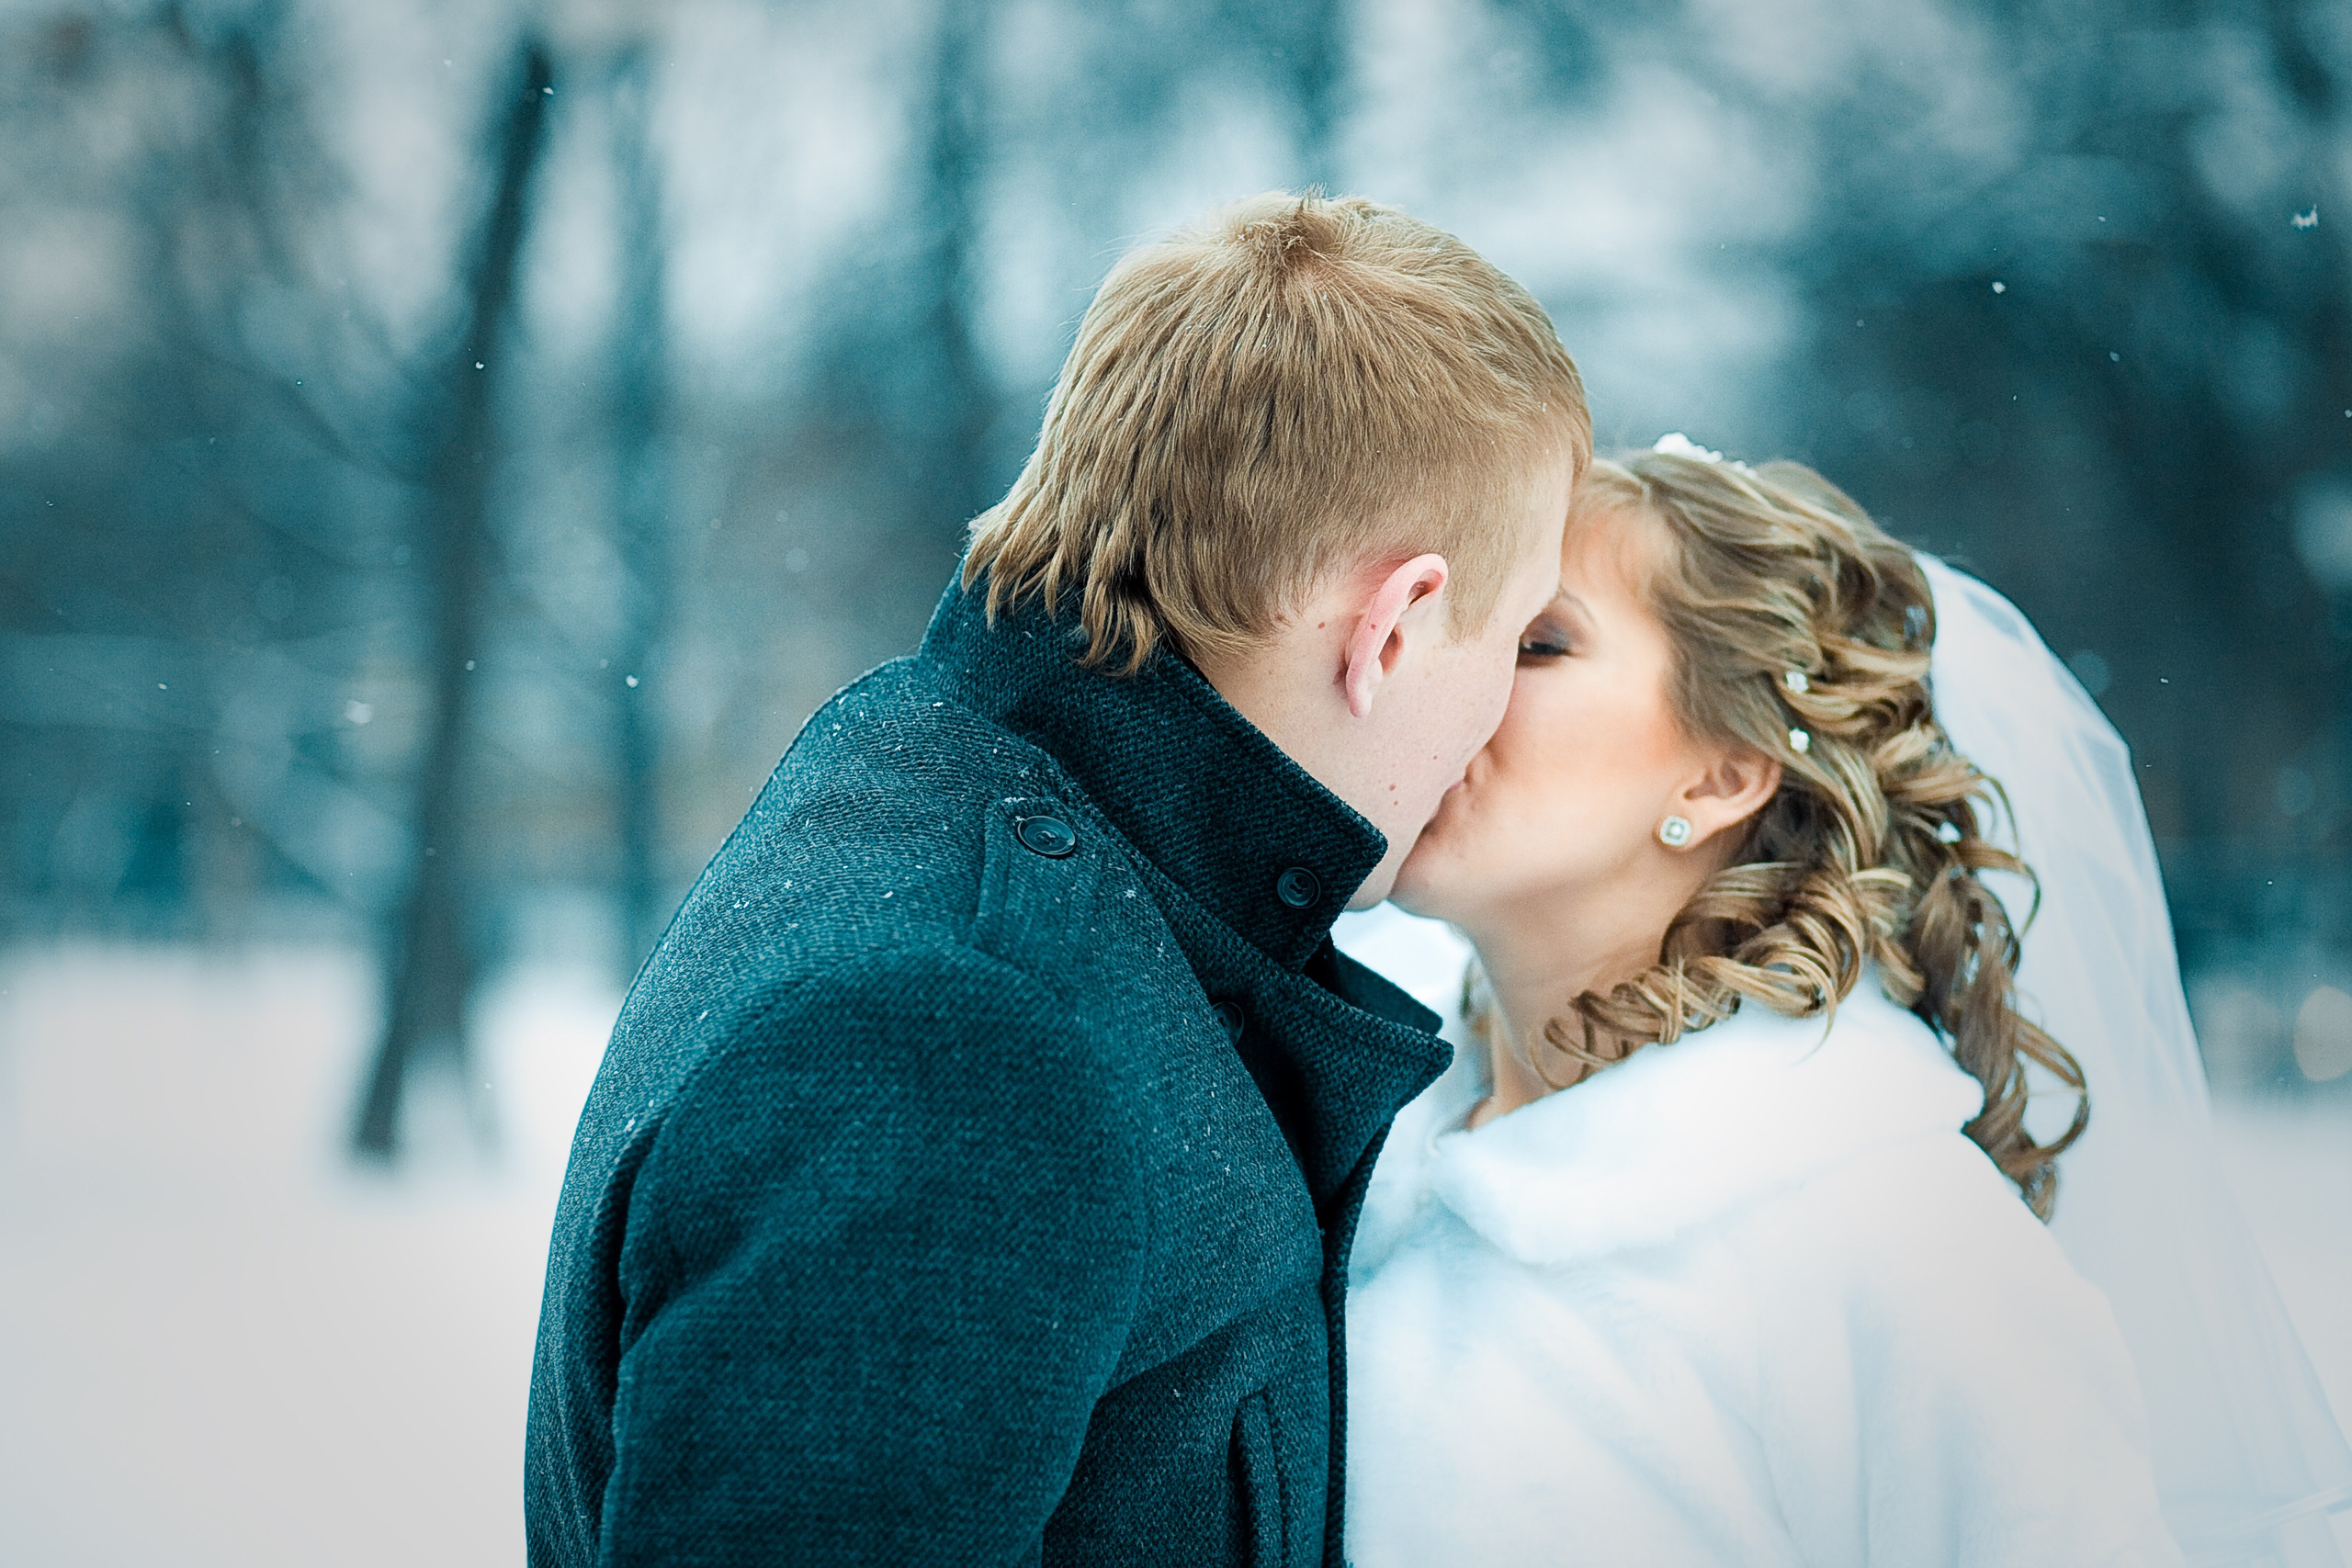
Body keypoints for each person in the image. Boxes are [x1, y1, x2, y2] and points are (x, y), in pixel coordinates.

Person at [524, 191, 1589, 1567]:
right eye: (1516, 634)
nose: (1502, 706)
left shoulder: (965, 801)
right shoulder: (961, 1036)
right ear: (1391, 625)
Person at [1338, 438, 2348, 1565]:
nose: (1442, 681)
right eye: (1452, 625)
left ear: (1720, 774)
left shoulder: (1903, 1252)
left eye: (1538, 643)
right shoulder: (1346, 1135)